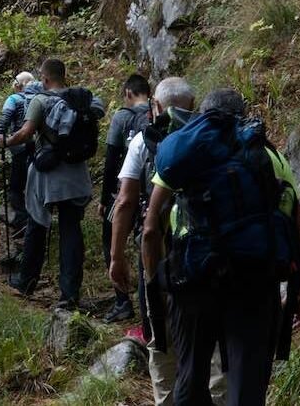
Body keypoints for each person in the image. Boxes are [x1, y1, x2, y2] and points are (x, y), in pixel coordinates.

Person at [142, 88, 300, 406]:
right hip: (255, 281)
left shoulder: (189, 151)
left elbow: (151, 230)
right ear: (243, 116)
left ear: (203, 116)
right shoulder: (269, 156)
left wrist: (156, 287)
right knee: (246, 386)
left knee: (190, 377)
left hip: (193, 279)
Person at [109, 77, 226, 405]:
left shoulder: (144, 142)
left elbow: (126, 202)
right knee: (216, 343)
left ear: (155, 106)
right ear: (195, 104)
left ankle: (167, 399)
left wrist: (116, 257)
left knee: (162, 342)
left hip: (158, 256)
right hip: (210, 257)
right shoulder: (214, 140)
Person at [0, 59, 104, 308]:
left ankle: (26, 281)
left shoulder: (40, 101)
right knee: (71, 230)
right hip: (77, 174)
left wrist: (4, 142)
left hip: (48, 175)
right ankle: (69, 294)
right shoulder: (81, 99)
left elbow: (25, 133)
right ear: (63, 76)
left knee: (37, 224)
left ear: (44, 79)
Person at [99, 73, 152, 323]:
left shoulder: (122, 117)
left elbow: (111, 161)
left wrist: (103, 199)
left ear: (128, 93)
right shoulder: (157, 116)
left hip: (124, 190)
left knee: (110, 240)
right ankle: (149, 307)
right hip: (152, 193)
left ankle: (122, 302)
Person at [0, 71, 42, 237]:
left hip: (19, 147)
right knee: (33, 186)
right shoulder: (40, 98)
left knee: (15, 188)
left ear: (18, 85)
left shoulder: (13, 100)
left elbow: (3, 122)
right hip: (39, 147)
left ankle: (22, 221)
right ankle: (35, 221)